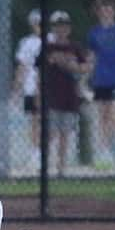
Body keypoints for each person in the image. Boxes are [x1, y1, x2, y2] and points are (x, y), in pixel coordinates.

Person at [43, 11, 91, 176]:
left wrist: (71, 65)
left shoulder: (75, 47)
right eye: (57, 26)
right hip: (52, 94)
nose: (61, 29)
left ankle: (60, 168)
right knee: (50, 132)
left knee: (65, 133)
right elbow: (39, 70)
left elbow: (85, 67)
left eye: (64, 26)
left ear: (68, 29)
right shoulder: (47, 47)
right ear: (53, 28)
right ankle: (45, 166)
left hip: (70, 95)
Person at [88, 0, 115, 164]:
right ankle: (104, 153)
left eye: (109, 7)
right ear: (98, 12)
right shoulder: (94, 33)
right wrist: (85, 78)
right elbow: (92, 57)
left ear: (114, 11)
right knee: (102, 117)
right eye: (103, 8)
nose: (106, 10)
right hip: (101, 80)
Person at [12, 9, 41, 165]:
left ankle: (44, 152)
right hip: (31, 87)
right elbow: (22, 67)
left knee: (49, 121)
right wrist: (17, 88)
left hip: (49, 88)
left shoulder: (51, 40)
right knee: (35, 121)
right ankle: (36, 153)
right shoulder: (27, 42)